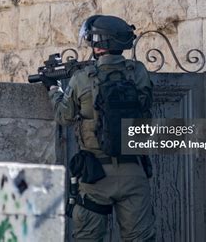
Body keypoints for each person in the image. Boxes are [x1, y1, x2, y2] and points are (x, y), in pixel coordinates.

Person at [41, 15, 155, 241]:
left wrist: (53, 89)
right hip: (134, 171)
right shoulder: (138, 72)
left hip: (96, 176)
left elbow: (64, 116)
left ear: (98, 43)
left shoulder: (82, 78)